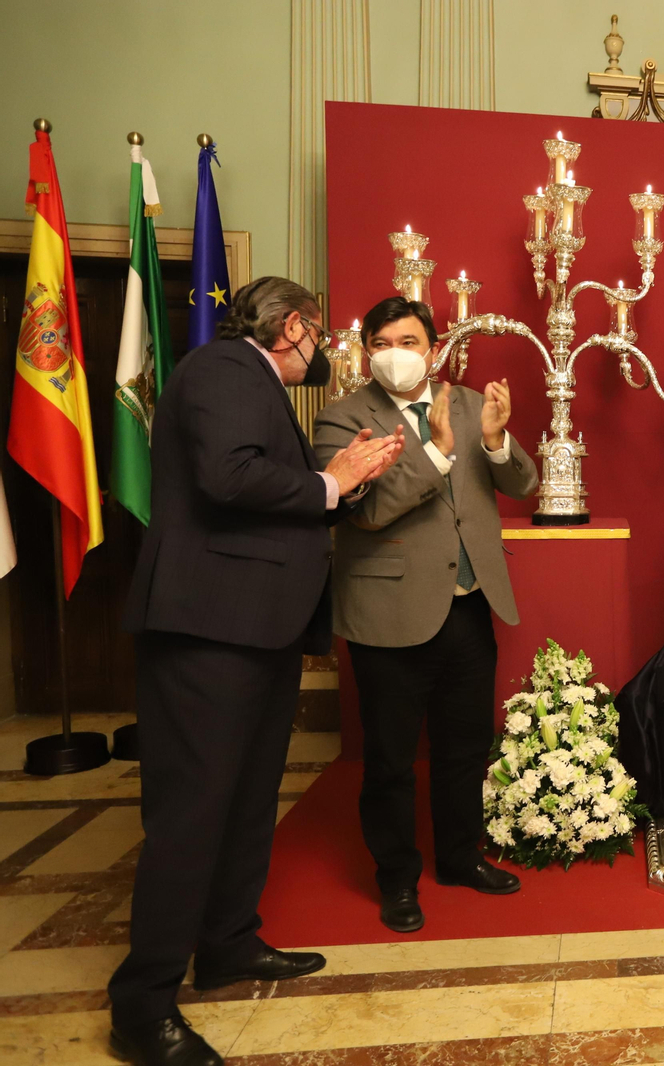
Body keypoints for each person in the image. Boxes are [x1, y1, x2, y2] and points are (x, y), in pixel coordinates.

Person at [111, 277, 403, 1066]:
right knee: (192, 815)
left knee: (243, 801)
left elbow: (271, 492)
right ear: (295, 326)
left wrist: (341, 483)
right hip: (209, 629)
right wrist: (330, 482)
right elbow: (231, 476)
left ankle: (228, 943)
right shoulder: (223, 370)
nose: (323, 350)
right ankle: (143, 1005)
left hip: (253, 631)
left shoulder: (253, 379)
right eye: (321, 335)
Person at [314, 297, 537, 934]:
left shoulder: (471, 404)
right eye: (381, 341)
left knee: (465, 748)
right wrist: (436, 454)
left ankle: (462, 857)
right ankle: (398, 881)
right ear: (364, 352)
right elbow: (366, 511)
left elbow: (522, 483)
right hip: (388, 613)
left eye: (409, 340)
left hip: (468, 605)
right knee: (388, 759)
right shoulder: (341, 419)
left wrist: (494, 443)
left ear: (434, 349)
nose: (396, 353)